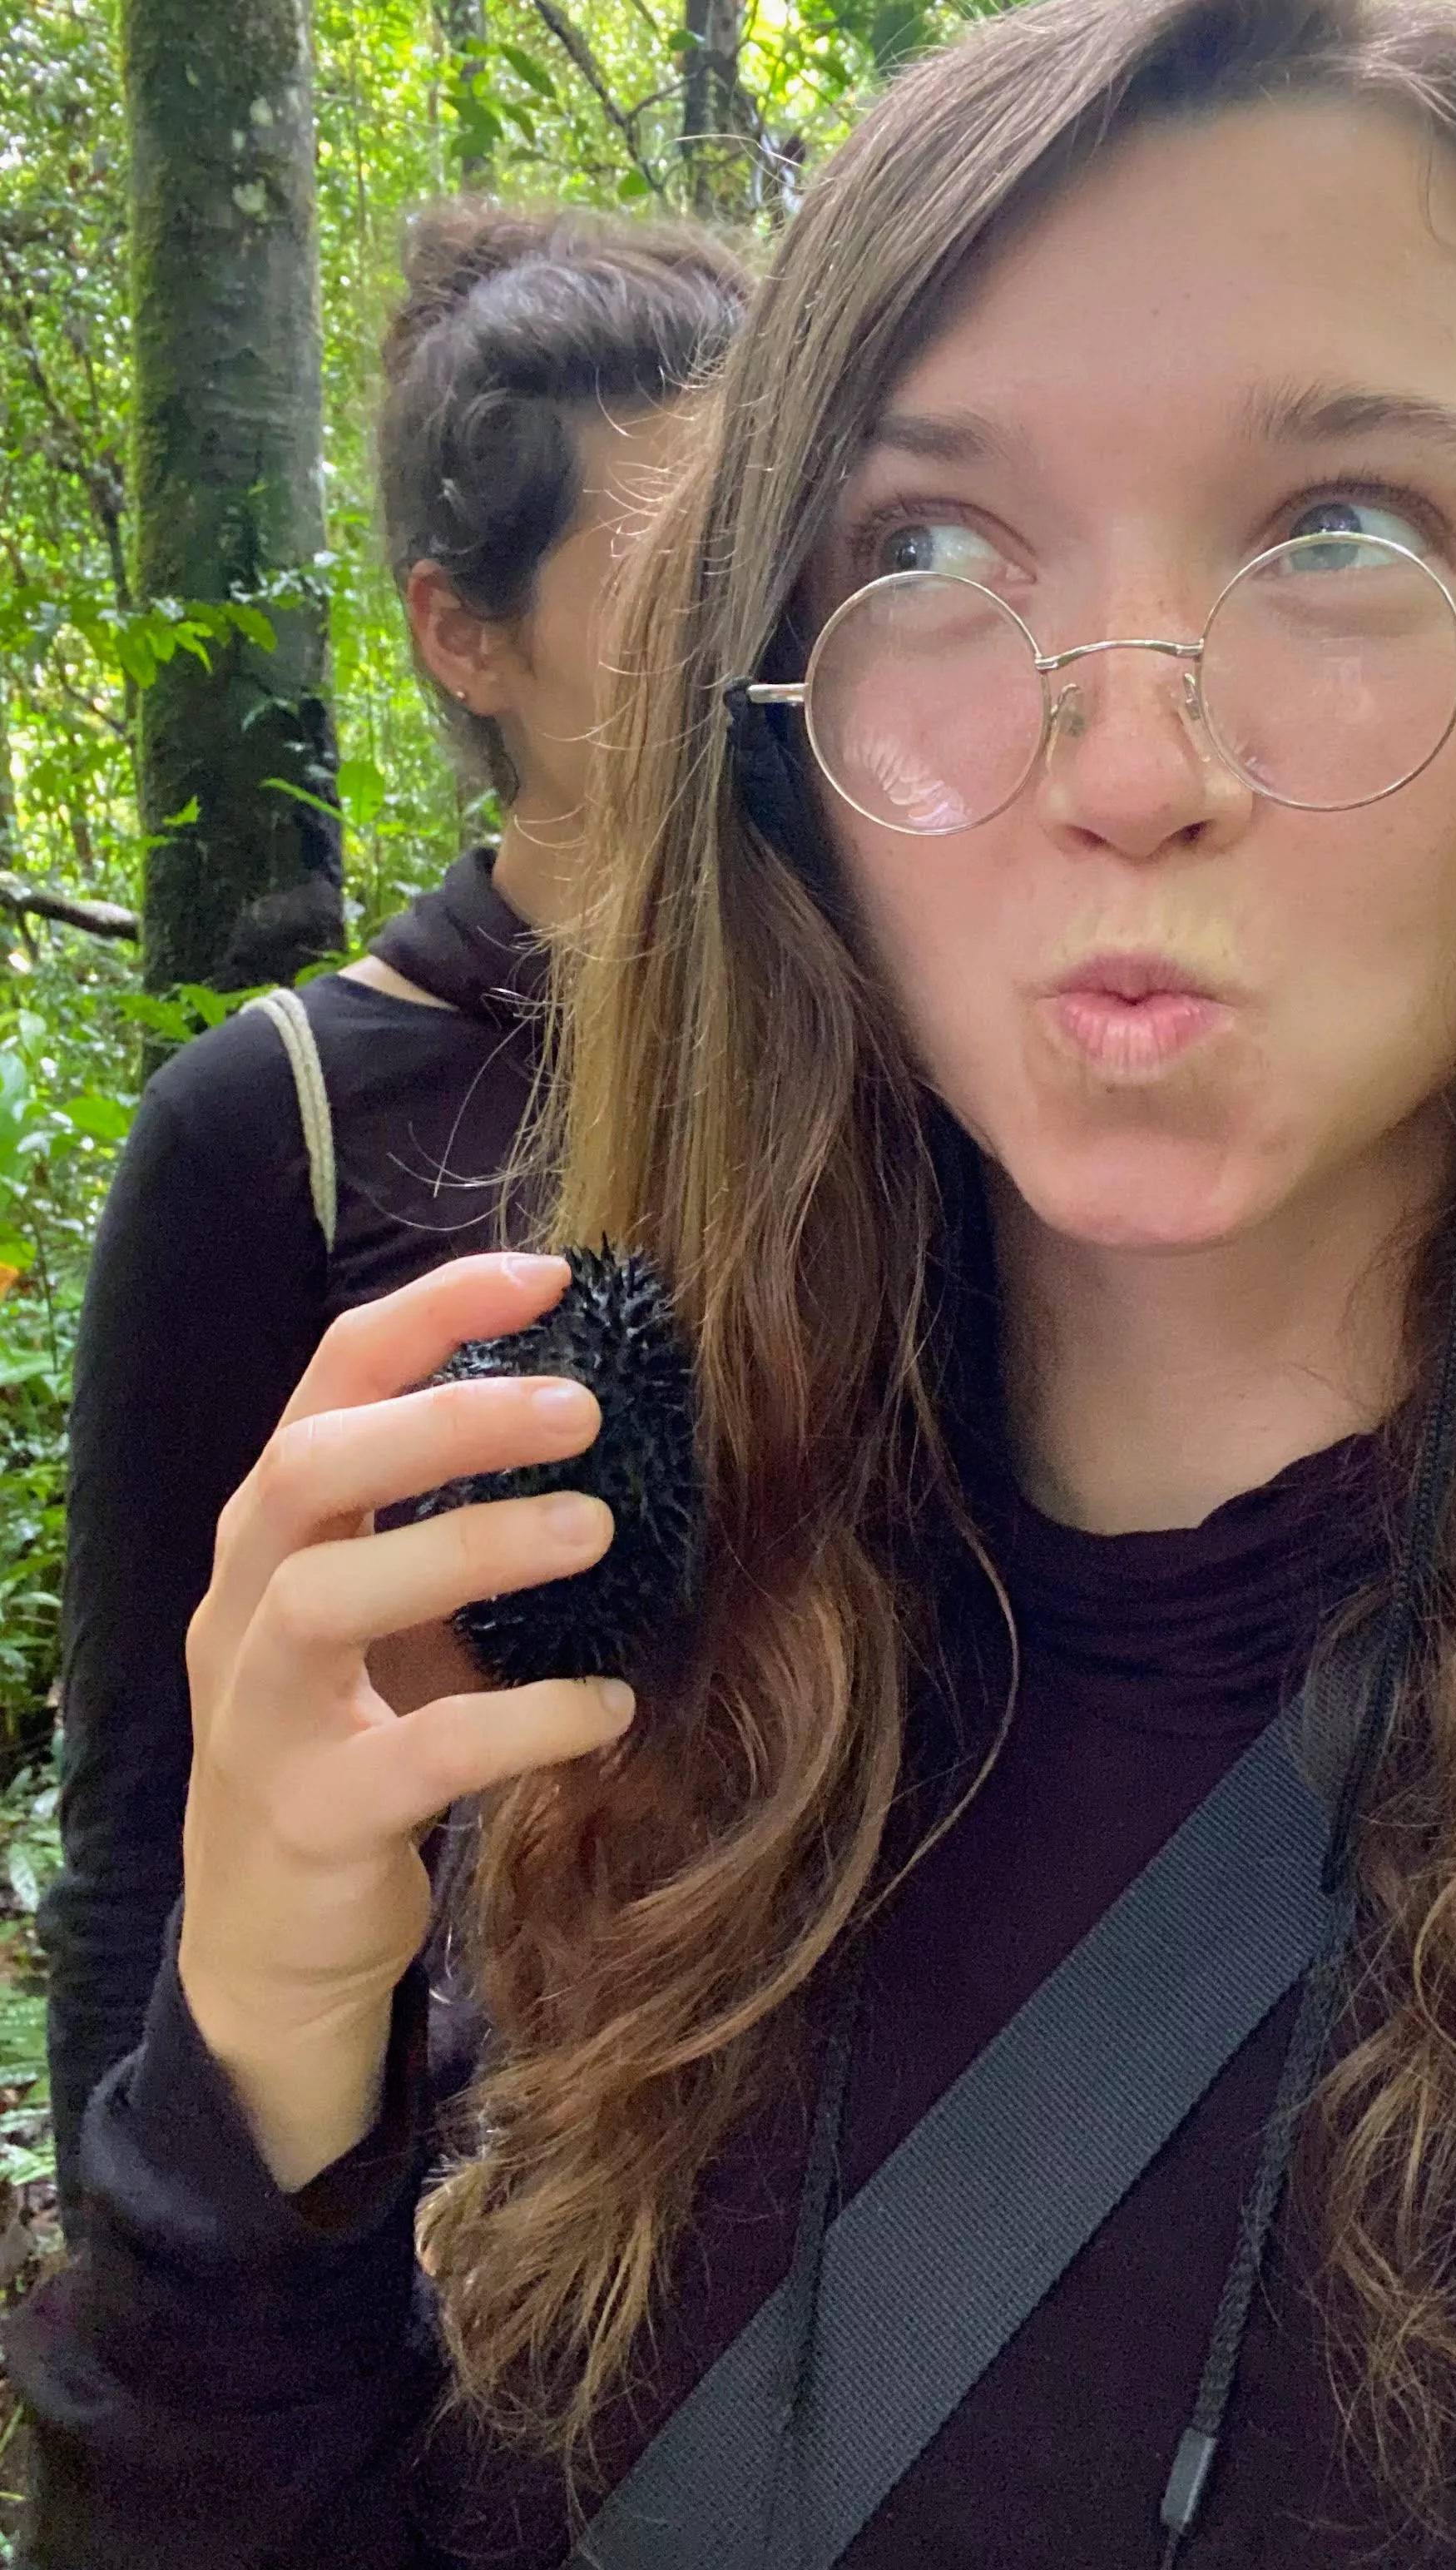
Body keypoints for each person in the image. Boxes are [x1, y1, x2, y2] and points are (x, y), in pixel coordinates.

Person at [12, 2, 1456, 2565]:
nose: (1126, 762)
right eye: (925, 555)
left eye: (1336, 523)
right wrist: (252, 2048)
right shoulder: (586, 1743)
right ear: (777, 744)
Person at [35, 203, 748, 2215]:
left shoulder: (923, 1069)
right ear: (468, 634)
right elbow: (148, 1835)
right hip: (453, 2228)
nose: (766, 636)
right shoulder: (268, 1130)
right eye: (684, 575)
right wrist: (170, 2357)